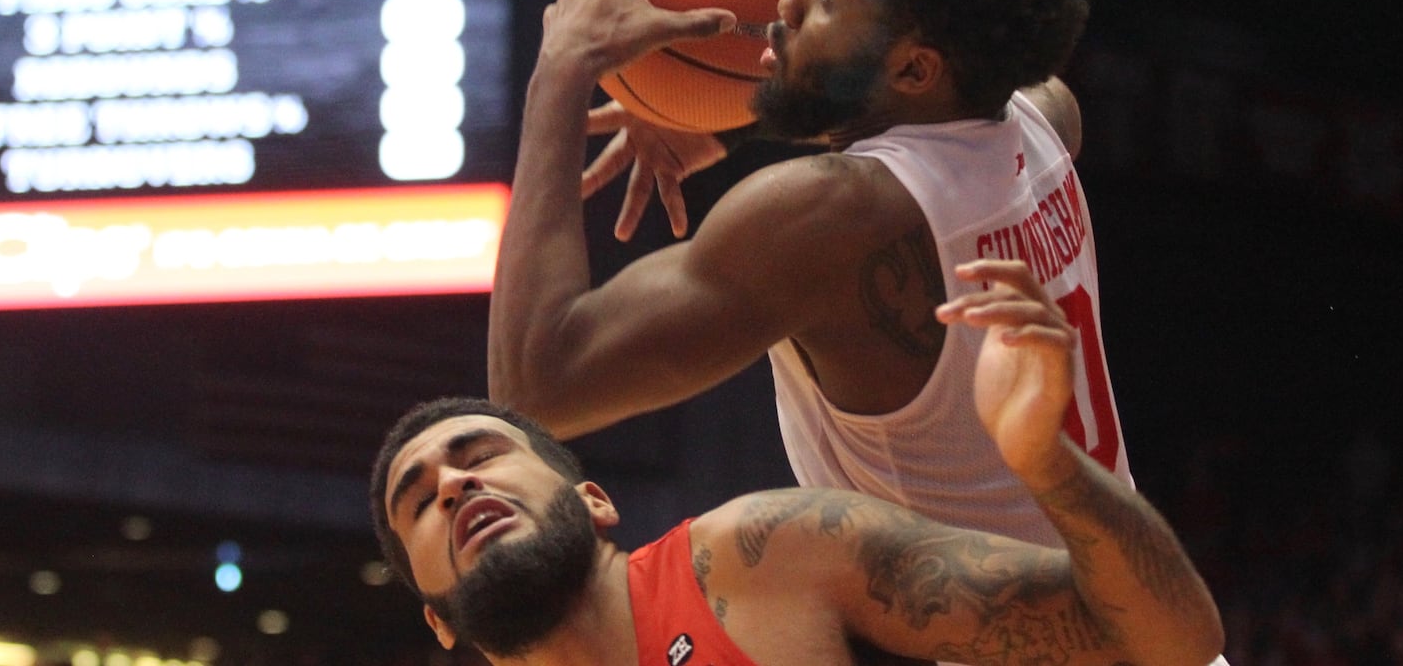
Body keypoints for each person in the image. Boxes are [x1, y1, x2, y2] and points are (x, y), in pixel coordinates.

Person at [489, 0, 1121, 549]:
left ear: (915, 68)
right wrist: (740, 120)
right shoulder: (1041, 117)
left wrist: (564, 62)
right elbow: (930, 131)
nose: (785, 4)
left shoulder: (826, 215)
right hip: (1150, 624)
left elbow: (536, 385)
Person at [374, 261, 1225, 666]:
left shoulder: (757, 560)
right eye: (418, 501)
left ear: (595, 501)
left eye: (480, 454)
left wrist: (1050, 466)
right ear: (438, 621)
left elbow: (1168, 640)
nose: (454, 485)